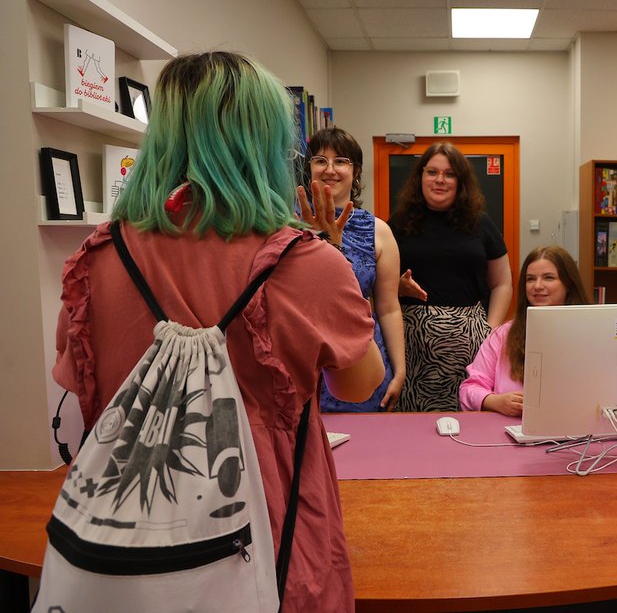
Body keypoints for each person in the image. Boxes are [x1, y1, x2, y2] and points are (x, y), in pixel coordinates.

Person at [51, 52, 383, 612]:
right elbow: (358, 384)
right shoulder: (306, 263)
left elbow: (79, 387)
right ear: (266, 145)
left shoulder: (99, 258)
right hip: (268, 531)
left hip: (129, 534)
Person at [388, 142, 513, 412]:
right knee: (414, 426)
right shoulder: (396, 225)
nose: (440, 180)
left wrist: (490, 331)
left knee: (469, 423)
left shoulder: (482, 224)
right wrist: (397, 287)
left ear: (461, 181)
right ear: (420, 176)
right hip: (413, 346)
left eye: (449, 174)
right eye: (432, 172)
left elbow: (502, 283)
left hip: (471, 345)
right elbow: (379, 286)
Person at [306, 127, 405, 412]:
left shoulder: (378, 231)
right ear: (309, 168)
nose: (330, 169)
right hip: (303, 358)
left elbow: (388, 308)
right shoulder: (288, 225)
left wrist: (399, 370)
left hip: (360, 357)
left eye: (341, 161)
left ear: (356, 171)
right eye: (320, 161)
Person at [459, 245, 591, 416]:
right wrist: (495, 402)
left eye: (548, 278)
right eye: (530, 279)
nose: (537, 286)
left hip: (576, 429)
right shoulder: (503, 335)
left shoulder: (591, 334)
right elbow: (469, 388)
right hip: (507, 432)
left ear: (569, 285)